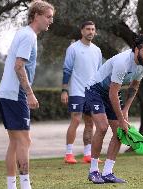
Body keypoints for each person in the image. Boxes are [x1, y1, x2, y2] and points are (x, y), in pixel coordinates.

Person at [0, 1, 54, 189]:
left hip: (6, 92)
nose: (50, 21)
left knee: (15, 142)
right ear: (36, 15)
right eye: (48, 16)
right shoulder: (28, 36)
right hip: (15, 93)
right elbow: (19, 66)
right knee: (24, 140)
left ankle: (12, 186)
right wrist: (29, 93)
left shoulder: (23, 33)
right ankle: (25, 185)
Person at [85, 33, 143, 184]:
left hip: (111, 92)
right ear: (136, 50)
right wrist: (122, 119)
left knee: (119, 132)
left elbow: (134, 87)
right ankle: (93, 171)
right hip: (95, 90)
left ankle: (108, 172)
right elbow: (113, 93)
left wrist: (126, 110)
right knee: (102, 128)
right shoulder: (123, 62)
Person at [61, 21, 103, 164]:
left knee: (90, 123)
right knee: (76, 119)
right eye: (88, 29)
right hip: (76, 91)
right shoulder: (73, 48)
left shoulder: (97, 50)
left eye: (93, 29)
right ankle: (68, 154)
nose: (91, 32)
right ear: (82, 31)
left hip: (92, 93)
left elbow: (99, 73)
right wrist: (64, 90)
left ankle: (88, 155)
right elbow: (67, 70)